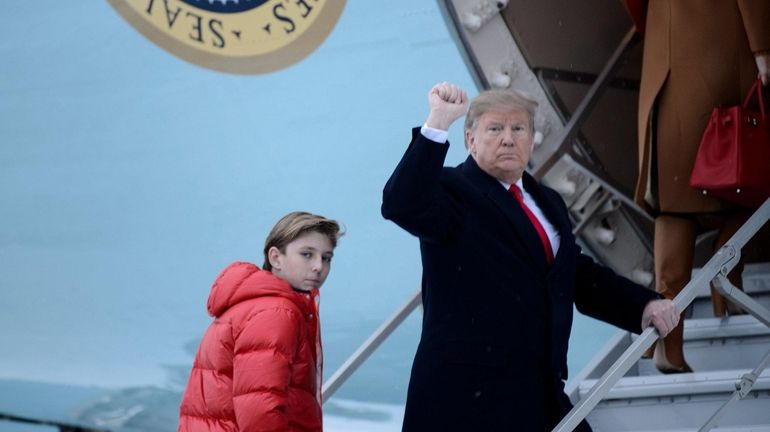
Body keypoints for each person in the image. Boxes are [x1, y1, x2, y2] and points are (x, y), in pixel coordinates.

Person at [381, 82, 680, 431]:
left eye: (518, 128)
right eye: (495, 129)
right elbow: (401, 203)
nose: (508, 138)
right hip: (466, 400)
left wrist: (642, 305)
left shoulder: (548, 201)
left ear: (532, 138)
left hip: (539, 392)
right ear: (470, 140)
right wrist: (438, 121)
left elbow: (574, 274)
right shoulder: (452, 191)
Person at [629, 0, 770, 374]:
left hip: (667, 55)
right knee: (748, 170)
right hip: (720, 48)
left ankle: (668, 344)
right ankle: (726, 270)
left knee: (675, 204)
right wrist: (762, 47)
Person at [178, 211, 343, 432]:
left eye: (326, 258)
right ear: (275, 258)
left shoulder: (256, 305)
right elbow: (260, 412)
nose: (318, 266)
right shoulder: (275, 313)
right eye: (306, 254)